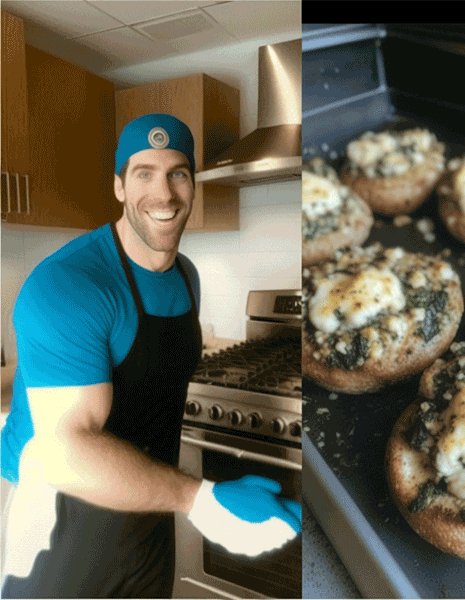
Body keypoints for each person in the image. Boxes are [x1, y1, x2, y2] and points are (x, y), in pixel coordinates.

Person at [0, 114, 301, 599]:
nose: (164, 195)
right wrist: (200, 498)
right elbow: (65, 453)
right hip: (62, 528)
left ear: (193, 185)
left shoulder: (186, 276)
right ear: (119, 186)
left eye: (177, 173)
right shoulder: (69, 285)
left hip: (145, 515)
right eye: (144, 173)